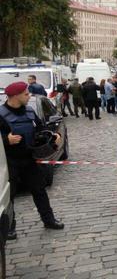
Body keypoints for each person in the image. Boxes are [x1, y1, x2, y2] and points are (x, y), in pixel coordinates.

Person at [0, 82, 64, 240]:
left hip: (29, 158)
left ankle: (49, 220)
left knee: (39, 190)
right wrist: (5, 140)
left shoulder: (29, 111)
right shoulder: (1, 114)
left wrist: (52, 135)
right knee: (9, 197)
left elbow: (40, 129)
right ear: (15, 96)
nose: (29, 96)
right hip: (9, 162)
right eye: (26, 94)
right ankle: (8, 228)